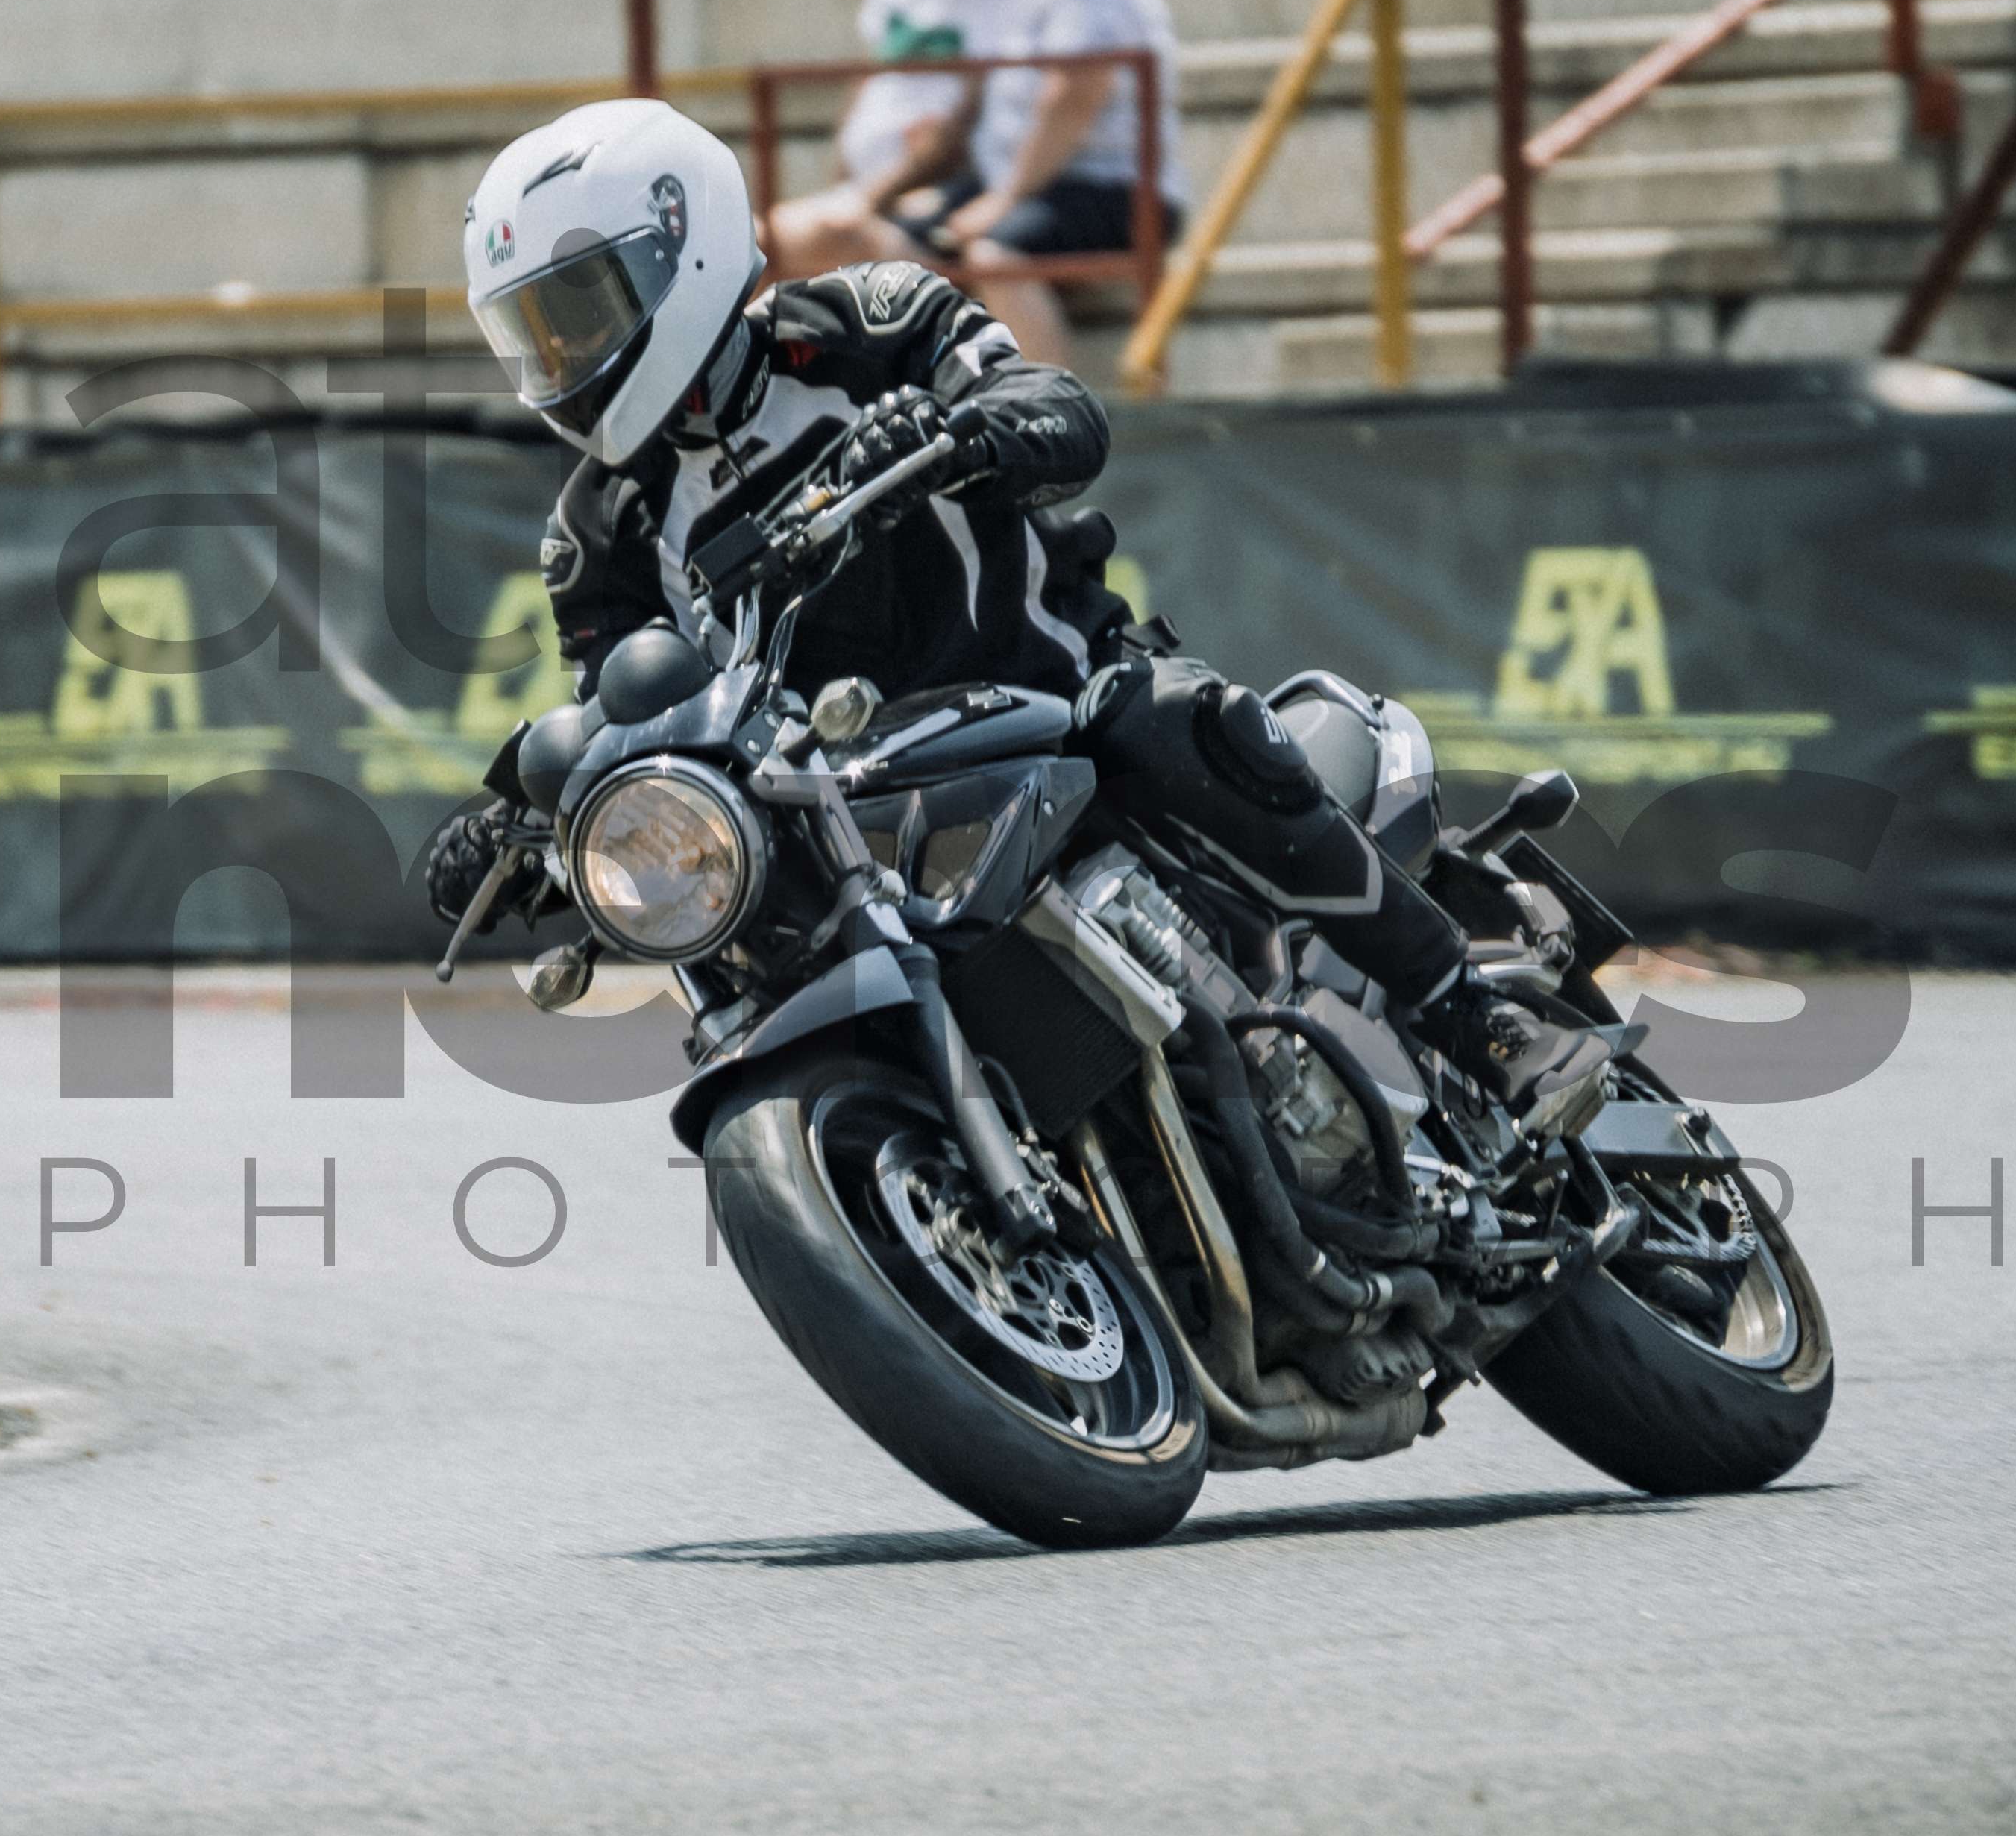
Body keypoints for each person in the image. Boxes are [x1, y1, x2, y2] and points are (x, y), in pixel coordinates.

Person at [424, 95, 1614, 1121]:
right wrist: (533, 819)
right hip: (854, 816)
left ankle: (1473, 1015)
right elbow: (631, 719)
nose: (564, 357)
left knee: (1175, 719)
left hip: (1051, 699)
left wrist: (963, 432)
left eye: (580, 311)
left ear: (680, 246)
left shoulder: (867, 322)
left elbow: (1055, 407)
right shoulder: (596, 532)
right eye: (538, 334)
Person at [766, 0, 1056, 280]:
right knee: (756, 249)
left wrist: (866, 200)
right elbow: (871, 70)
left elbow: (972, 113)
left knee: (767, 247)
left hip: (949, 188)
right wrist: (845, 183)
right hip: (878, 187)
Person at [926, 0, 1182, 368]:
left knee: (996, 257)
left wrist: (1004, 199)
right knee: (906, 238)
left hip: (1116, 191)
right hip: (1072, 187)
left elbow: (1074, 97)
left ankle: (1050, 406)